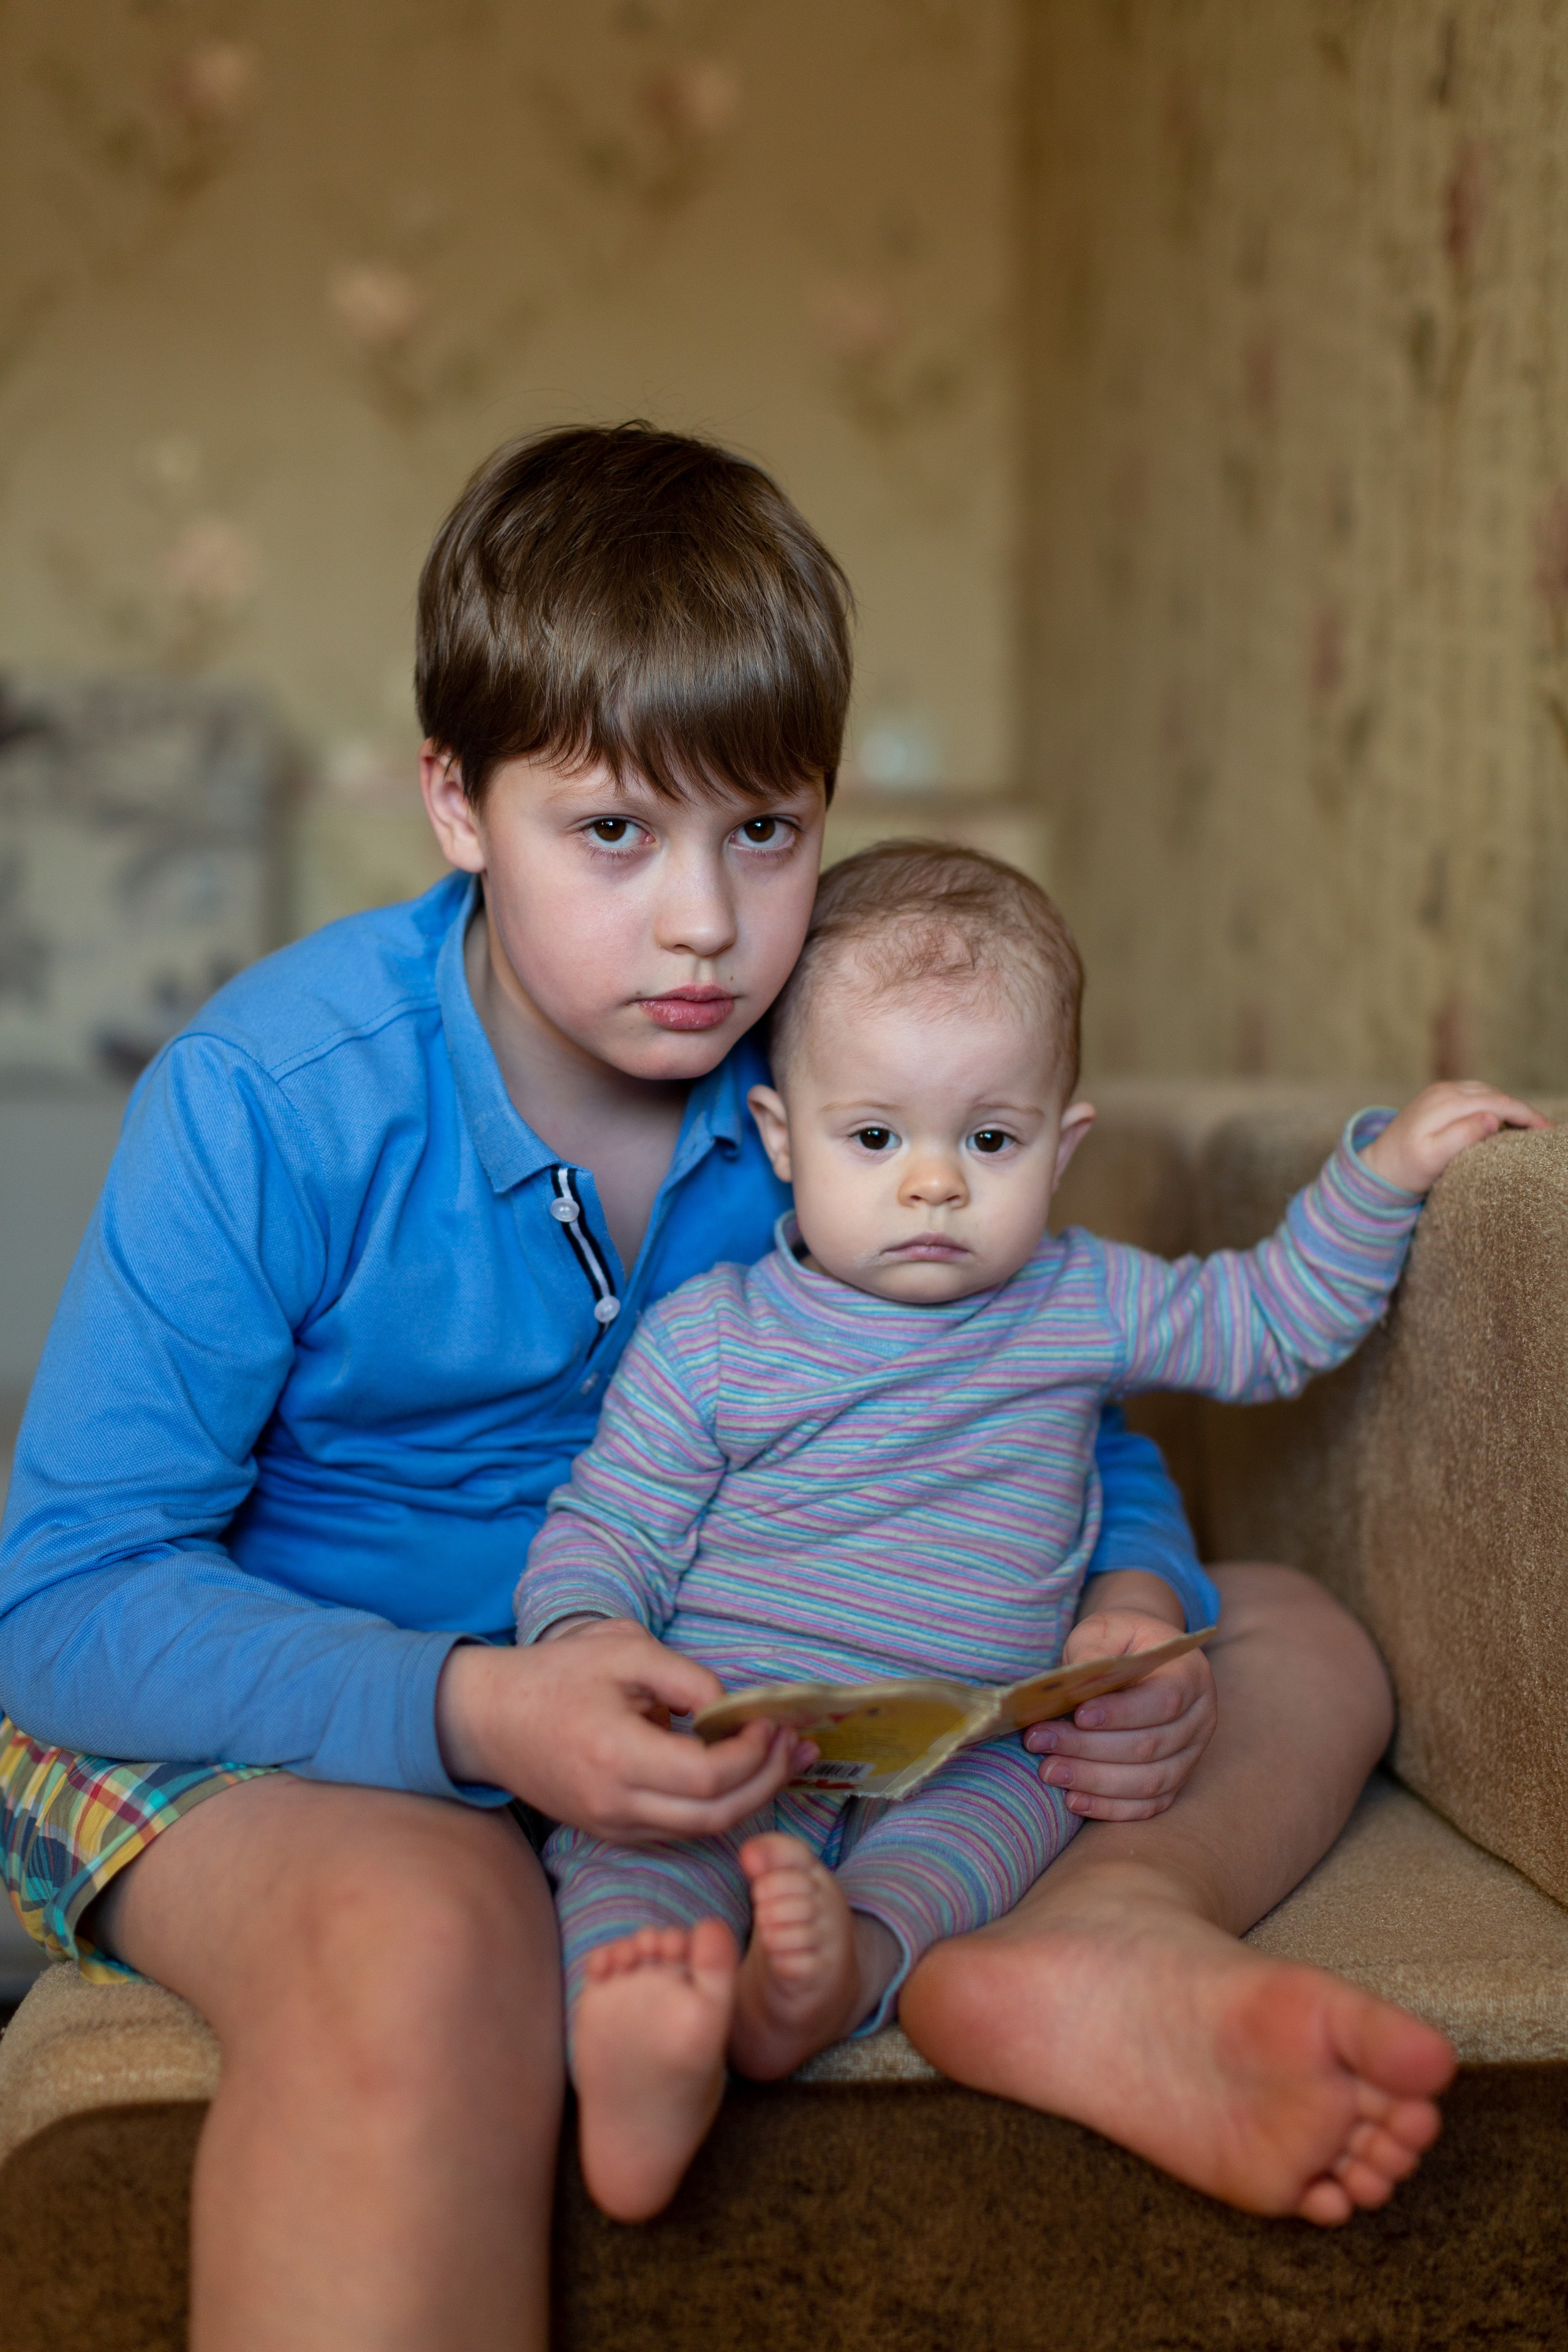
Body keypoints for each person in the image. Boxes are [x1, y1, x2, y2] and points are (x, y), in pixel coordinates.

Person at [0, 423, 1493, 2352]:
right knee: (430, 1931)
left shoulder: (832, 1061)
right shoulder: (271, 1099)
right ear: (456, 805)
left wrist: (1136, 1598)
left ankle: (1102, 1931)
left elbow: (1023, 1368)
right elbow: (64, 1596)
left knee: (1294, 1635)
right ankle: (772, 1901)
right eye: (612, 833)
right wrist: (472, 1708)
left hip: (742, 1673)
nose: (705, 923)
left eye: (766, 831)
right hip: (309, 1694)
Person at [513, 839, 1540, 2223]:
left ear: (1059, 1149)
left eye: (984, 1141)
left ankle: (832, 1981)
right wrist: (586, 1646)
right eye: (873, 1137)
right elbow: (608, 1525)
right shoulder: (713, 1341)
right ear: (779, 1139)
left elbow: (1264, 1319)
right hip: (735, 1730)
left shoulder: (1080, 1301)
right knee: (629, 1852)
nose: (932, 1185)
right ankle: (642, 2046)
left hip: (966, 1744)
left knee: (1019, 1815)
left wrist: (1388, 1169)